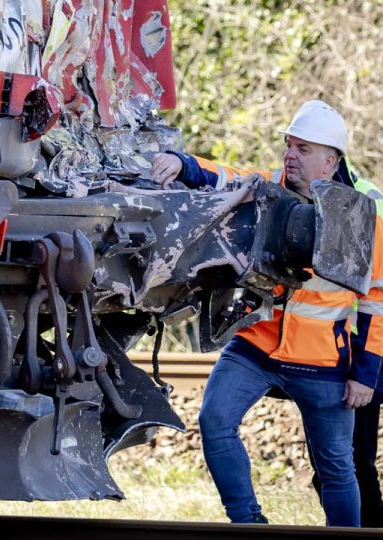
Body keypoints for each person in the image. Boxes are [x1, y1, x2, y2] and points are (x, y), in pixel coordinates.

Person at [149, 100, 383, 527]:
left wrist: (365, 374)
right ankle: (248, 525)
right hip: (256, 346)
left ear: (330, 161)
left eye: (303, 149)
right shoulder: (269, 188)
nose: (289, 155)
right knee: (214, 419)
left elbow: (376, 302)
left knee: (337, 468)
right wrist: (180, 162)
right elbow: (224, 175)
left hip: (323, 361)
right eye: (289, 145)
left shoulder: (360, 211)